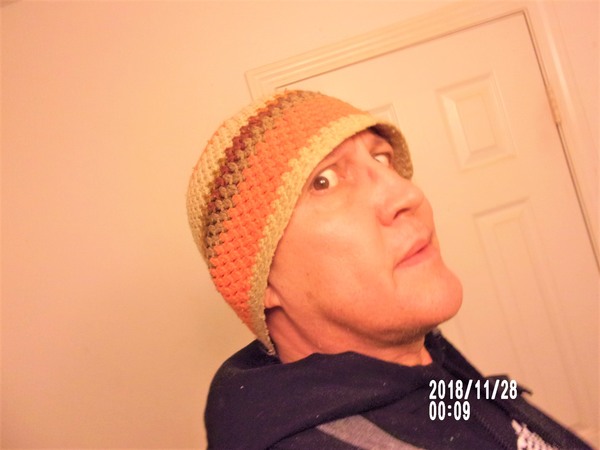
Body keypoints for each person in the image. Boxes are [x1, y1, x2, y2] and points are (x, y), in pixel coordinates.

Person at [186, 90, 591, 449]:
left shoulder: (417, 360)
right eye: (323, 181)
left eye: (382, 158)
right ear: (260, 283)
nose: (406, 193)